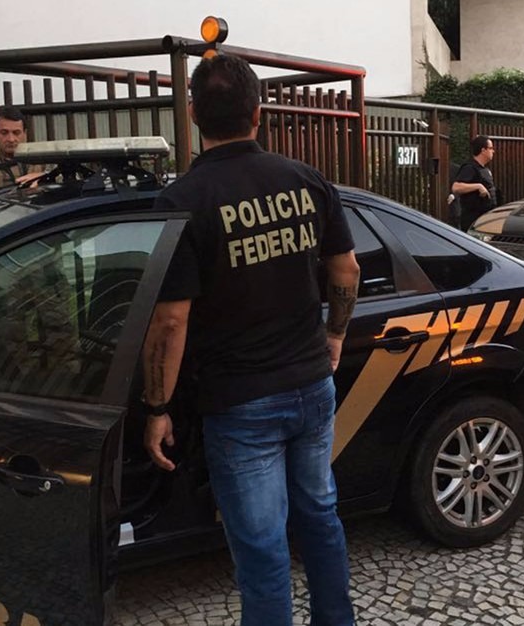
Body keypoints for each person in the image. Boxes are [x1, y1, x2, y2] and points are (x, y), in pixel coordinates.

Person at [141, 53, 360, 626]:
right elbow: (347, 271)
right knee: (320, 516)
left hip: (240, 403)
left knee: (262, 550)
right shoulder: (306, 181)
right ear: (258, 113)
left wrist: (158, 407)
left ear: (192, 113)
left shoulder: (183, 201)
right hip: (313, 384)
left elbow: (169, 322)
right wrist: (334, 337)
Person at [451, 135, 499, 231]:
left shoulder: (484, 169)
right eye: (490, 148)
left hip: (485, 216)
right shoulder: (470, 168)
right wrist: (478, 186)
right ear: (483, 150)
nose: (493, 151)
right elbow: (456, 187)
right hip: (473, 219)